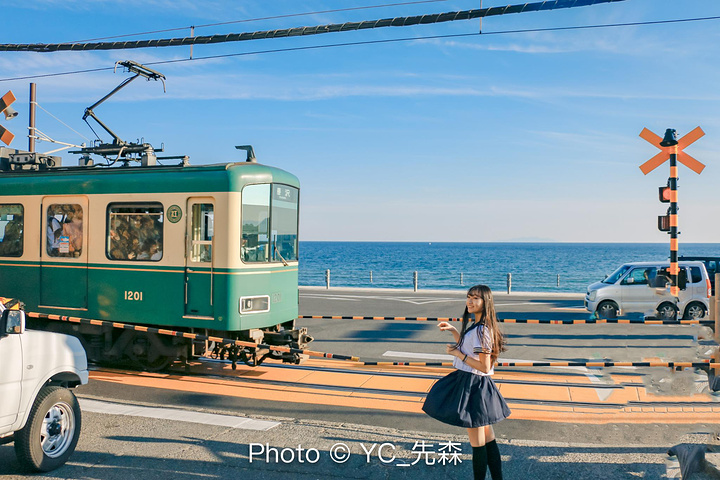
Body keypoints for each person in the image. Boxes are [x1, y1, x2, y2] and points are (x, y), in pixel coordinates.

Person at [422, 284, 510, 480]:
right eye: (469, 296)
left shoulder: (482, 331)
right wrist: (455, 332)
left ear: (485, 302)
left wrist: (458, 354)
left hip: (473, 387)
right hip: (476, 385)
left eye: (475, 298)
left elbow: (484, 367)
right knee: (488, 440)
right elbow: (470, 348)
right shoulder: (479, 327)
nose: (470, 301)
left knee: (478, 444)